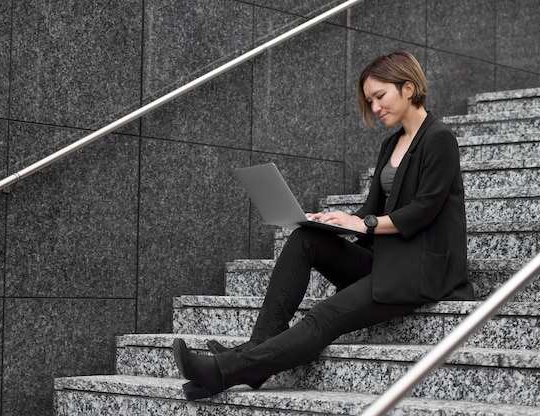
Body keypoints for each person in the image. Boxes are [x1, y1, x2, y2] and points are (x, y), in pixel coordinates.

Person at [173, 49, 475, 400]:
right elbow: (370, 210)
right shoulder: (391, 143)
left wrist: (365, 223)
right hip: (385, 259)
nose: (375, 108)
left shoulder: (439, 138)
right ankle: (256, 347)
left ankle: (225, 370)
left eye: (380, 96)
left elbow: (424, 210)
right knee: (306, 239)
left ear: (408, 88)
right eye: (370, 100)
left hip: (419, 271)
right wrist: (333, 222)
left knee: (325, 314)